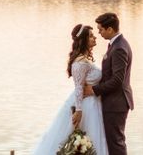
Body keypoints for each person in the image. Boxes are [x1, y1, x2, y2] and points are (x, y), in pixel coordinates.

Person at [31, 24, 109, 155]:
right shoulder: (79, 62)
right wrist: (78, 111)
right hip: (85, 106)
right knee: (80, 139)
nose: (95, 37)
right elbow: (78, 87)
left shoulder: (85, 60)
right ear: (83, 40)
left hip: (93, 103)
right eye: (91, 36)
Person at [84, 12, 133, 155]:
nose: (99, 33)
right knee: (113, 141)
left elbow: (117, 80)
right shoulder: (116, 44)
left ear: (110, 29)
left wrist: (94, 90)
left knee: (115, 142)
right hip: (114, 102)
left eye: (100, 29)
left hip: (116, 103)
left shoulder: (119, 48)